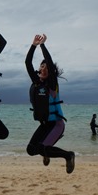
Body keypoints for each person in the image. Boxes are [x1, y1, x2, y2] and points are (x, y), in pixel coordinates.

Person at [25, 34, 75, 174]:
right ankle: (47, 152)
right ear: (39, 69)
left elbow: (49, 62)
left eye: (47, 67)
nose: (44, 68)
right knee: (31, 150)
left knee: (41, 147)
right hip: (45, 124)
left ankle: (68, 155)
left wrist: (42, 45)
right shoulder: (36, 83)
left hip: (56, 124)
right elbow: (28, 63)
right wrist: (33, 45)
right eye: (42, 66)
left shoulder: (52, 85)